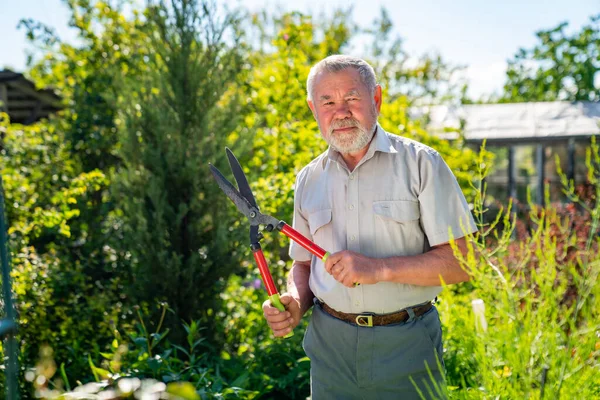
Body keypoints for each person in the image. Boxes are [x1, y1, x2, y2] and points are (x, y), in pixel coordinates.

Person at [262, 54, 477, 400]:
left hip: (407, 344)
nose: (340, 112)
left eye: (352, 98)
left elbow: (464, 261)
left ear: (376, 98)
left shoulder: (422, 164)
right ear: (313, 109)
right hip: (330, 350)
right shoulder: (308, 179)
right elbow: (302, 265)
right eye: (327, 102)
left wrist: (378, 269)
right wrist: (295, 303)